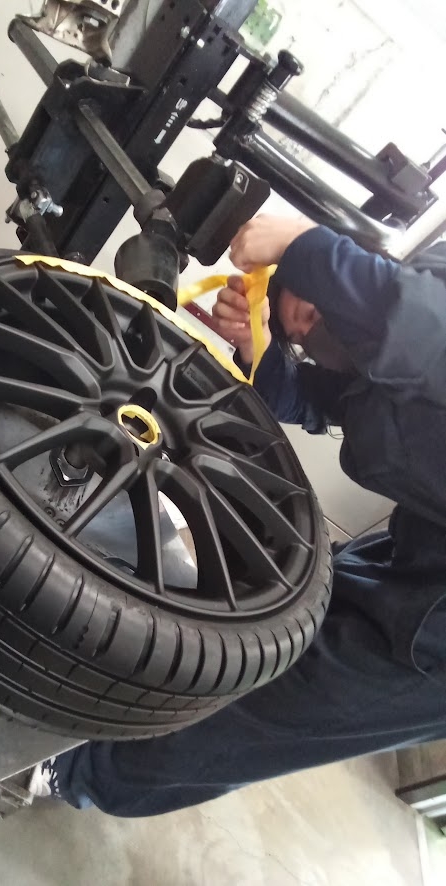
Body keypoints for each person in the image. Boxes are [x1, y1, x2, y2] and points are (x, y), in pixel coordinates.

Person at [29, 215, 446, 816]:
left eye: (312, 308)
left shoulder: (411, 308)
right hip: (417, 551)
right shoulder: (385, 331)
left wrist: (307, 247)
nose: (309, 325)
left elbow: (427, 334)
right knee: (243, 628)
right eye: (299, 326)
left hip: (434, 645)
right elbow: (318, 400)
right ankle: (102, 694)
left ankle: (60, 768)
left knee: (257, 715)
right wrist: (263, 350)